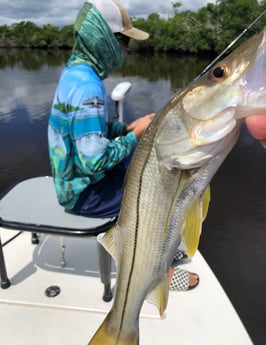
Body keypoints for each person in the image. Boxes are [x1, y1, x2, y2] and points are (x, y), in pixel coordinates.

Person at [48, 0, 199, 291]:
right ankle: (159, 272)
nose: (128, 49)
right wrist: (135, 136)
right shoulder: (89, 88)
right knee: (156, 199)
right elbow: (93, 162)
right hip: (84, 194)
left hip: (73, 183)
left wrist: (126, 128)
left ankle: (162, 248)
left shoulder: (75, 73)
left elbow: (85, 132)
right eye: (124, 40)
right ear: (102, 38)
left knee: (150, 174)